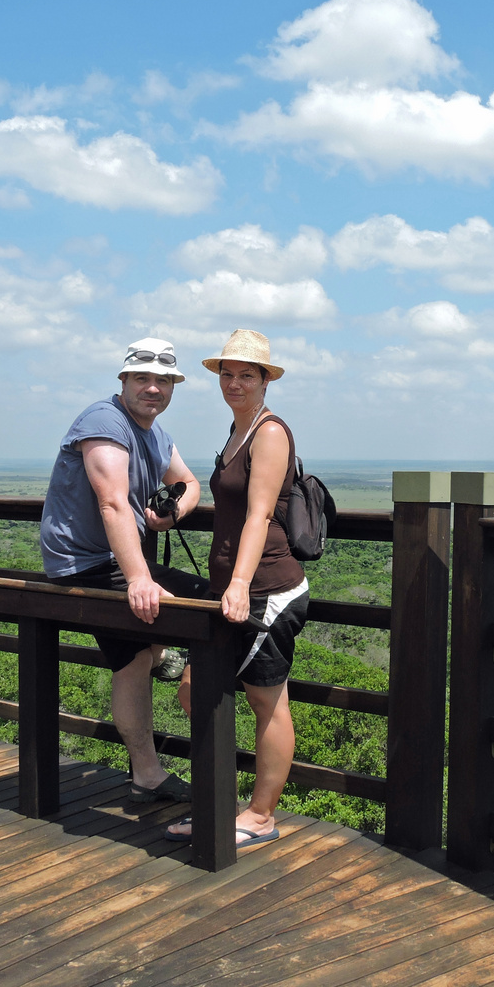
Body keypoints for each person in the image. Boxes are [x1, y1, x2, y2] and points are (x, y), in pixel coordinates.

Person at [39, 337, 205, 804]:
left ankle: (165, 657)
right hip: (85, 563)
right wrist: (139, 579)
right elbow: (111, 501)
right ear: (124, 380)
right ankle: (148, 772)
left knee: (208, 597)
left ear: (172, 387)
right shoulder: (103, 421)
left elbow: (189, 483)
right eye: (142, 379)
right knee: (149, 643)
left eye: (163, 380)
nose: (153, 388)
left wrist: (173, 513)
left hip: (119, 559)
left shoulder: (156, 435)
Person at [167, 329, 308, 849]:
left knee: (268, 703)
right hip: (231, 589)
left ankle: (260, 816)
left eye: (246, 374)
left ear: (265, 379)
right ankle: (220, 805)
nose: (234, 382)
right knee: (193, 690)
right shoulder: (237, 430)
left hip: (267, 589)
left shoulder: (269, 433)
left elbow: (259, 515)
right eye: (227, 373)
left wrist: (241, 584)